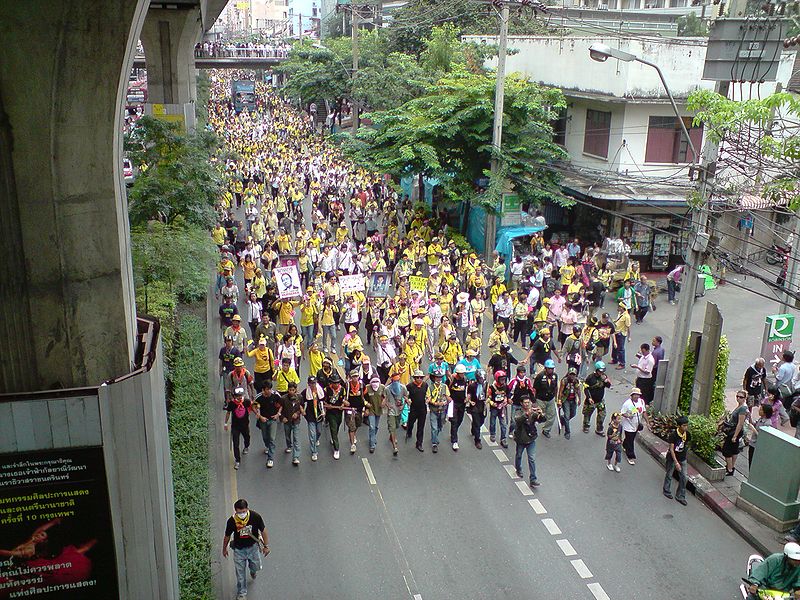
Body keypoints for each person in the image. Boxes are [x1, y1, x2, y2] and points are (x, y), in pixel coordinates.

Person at [222, 499, 269, 600]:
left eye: (243, 511)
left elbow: (263, 530)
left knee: (255, 566)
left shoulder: (255, 517)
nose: (241, 514)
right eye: (239, 512)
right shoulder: (232, 521)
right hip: (239, 551)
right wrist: (224, 549)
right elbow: (227, 536)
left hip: (253, 548)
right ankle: (242, 593)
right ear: (235, 511)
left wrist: (266, 546)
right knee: (240, 574)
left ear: (247, 509)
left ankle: (253, 571)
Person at [513, 398, 546, 489]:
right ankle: (518, 469)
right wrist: (527, 414)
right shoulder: (518, 411)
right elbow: (518, 420)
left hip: (531, 439)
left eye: (528, 402)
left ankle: (533, 479)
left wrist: (541, 414)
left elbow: (541, 420)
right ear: (521, 403)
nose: (527, 404)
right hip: (521, 439)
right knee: (519, 455)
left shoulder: (533, 412)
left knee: (532, 459)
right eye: (525, 403)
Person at [663, 415, 691, 505]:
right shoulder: (673, 435)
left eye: (687, 425)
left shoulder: (687, 435)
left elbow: (687, 445)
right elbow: (671, 449)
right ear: (679, 426)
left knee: (684, 477)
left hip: (682, 458)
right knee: (669, 474)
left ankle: (680, 496)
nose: (686, 427)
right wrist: (676, 462)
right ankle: (666, 490)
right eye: (684, 425)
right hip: (672, 458)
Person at [722, 390, 749, 476]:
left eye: (741, 397)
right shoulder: (741, 407)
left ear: (745, 398)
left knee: (727, 450)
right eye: (737, 396)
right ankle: (731, 467)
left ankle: (729, 469)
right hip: (734, 431)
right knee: (734, 450)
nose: (738, 398)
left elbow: (740, 423)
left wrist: (735, 436)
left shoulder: (742, 408)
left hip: (734, 431)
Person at [224, 387, 252, 470]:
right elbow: (228, 413)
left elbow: (252, 407)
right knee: (235, 444)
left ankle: (246, 446)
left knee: (247, 437)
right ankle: (237, 460)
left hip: (245, 426)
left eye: (240, 395)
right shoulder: (232, 404)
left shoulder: (246, 401)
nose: (239, 397)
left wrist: (257, 414)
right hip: (235, 427)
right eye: (237, 396)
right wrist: (225, 423)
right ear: (235, 396)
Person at [583, 361, 611, 435]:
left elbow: (608, 386)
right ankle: (586, 426)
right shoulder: (590, 378)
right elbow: (586, 389)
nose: (601, 373)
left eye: (602, 371)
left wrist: (606, 381)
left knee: (602, 415)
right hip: (591, 401)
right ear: (596, 370)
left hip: (600, 400)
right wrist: (589, 398)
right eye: (600, 371)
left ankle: (599, 429)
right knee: (587, 414)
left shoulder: (604, 376)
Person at [324, 374, 347, 460]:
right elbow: (322, 401)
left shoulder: (342, 390)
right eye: (334, 383)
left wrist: (342, 405)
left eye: (337, 382)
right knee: (333, 428)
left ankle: (334, 438)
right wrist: (327, 405)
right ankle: (336, 449)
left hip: (339, 412)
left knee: (337, 426)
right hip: (331, 413)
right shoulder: (327, 389)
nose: (336, 384)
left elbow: (344, 400)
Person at [620, 387, 646, 465]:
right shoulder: (627, 403)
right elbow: (622, 413)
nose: (637, 396)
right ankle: (630, 456)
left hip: (636, 424)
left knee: (630, 438)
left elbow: (643, 411)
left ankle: (624, 444)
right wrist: (628, 416)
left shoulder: (641, 401)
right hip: (628, 426)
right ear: (632, 395)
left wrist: (647, 422)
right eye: (635, 395)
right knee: (631, 440)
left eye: (638, 395)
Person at [302, 376, 325, 462]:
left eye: (314, 383)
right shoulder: (305, 392)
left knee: (318, 431)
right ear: (308, 384)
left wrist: (324, 411)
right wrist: (302, 410)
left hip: (319, 414)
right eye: (311, 383)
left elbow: (324, 401)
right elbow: (300, 401)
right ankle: (314, 452)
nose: (313, 385)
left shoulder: (320, 390)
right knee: (312, 434)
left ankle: (317, 440)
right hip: (310, 415)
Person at [383, 373, 407, 456]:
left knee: (396, 425)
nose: (396, 382)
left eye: (398, 380)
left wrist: (403, 406)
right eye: (394, 381)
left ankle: (391, 436)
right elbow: (384, 398)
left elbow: (406, 398)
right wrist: (387, 405)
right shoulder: (387, 389)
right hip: (391, 412)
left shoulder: (403, 388)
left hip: (398, 411)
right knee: (392, 427)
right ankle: (394, 447)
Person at [427, 371, 450, 453]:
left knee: (440, 426)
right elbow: (428, 398)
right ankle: (434, 444)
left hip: (442, 410)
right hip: (434, 410)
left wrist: (448, 401)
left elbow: (448, 396)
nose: (438, 379)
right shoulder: (430, 387)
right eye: (437, 377)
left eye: (440, 377)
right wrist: (434, 403)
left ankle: (435, 437)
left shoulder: (444, 386)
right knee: (434, 427)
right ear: (434, 378)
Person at [281, 382, 303, 465]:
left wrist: (297, 413)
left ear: (296, 390)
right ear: (288, 390)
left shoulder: (300, 397)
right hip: (287, 421)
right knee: (287, 435)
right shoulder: (283, 399)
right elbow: (280, 409)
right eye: (290, 390)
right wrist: (282, 418)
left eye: (293, 390)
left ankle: (296, 457)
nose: (291, 392)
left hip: (296, 421)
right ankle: (289, 445)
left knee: (296, 438)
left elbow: (302, 407)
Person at [406, 370, 429, 452]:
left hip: (422, 409)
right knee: (411, 422)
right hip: (413, 409)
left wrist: (428, 399)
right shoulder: (410, 386)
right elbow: (405, 395)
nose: (419, 379)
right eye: (417, 378)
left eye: (421, 378)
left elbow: (428, 394)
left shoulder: (425, 385)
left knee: (421, 427)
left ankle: (419, 443)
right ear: (414, 378)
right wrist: (407, 400)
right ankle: (409, 431)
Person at [448, 363, 469, 450]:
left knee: (459, 420)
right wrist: (448, 398)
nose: (463, 374)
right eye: (461, 373)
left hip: (462, 403)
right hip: (453, 403)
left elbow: (467, 389)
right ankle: (454, 440)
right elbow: (446, 389)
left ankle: (454, 431)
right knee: (454, 421)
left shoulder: (464, 379)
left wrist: (467, 398)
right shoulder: (451, 379)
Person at [487, 369, 510, 448]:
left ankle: (503, 438)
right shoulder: (492, 387)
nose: (503, 381)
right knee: (493, 422)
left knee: (503, 424)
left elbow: (508, 394)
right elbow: (489, 397)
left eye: (504, 379)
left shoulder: (506, 386)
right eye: (501, 379)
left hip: (502, 408)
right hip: (494, 408)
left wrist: (507, 400)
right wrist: (491, 403)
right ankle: (492, 434)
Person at [363, 375, 385, 453]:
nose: (375, 383)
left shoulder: (382, 387)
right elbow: (363, 398)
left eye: (376, 381)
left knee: (376, 426)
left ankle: (373, 437)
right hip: (371, 409)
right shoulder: (367, 387)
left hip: (378, 409)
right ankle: (372, 445)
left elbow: (385, 396)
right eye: (373, 382)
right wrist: (366, 407)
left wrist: (383, 402)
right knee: (372, 426)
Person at [557, 367, 581, 440]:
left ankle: (563, 419)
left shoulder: (576, 381)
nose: (572, 376)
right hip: (566, 400)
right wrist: (559, 400)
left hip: (573, 399)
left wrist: (580, 398)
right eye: (571, 374)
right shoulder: (564, 381)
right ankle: (567, 431)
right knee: (567, 415)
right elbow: (560, 391)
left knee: (573, 414)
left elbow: (578, 390)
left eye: (574, 375)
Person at [748, 403, 773, 468]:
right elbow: (754, 423)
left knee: (754, 463)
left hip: (757, 446)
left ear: (765, 412)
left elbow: (763, 437)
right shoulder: (760, 419)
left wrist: (753, 430)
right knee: (750, 462)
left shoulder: (767, 423)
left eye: (761, 410)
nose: (759, 411)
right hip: (752, 443)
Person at [467, 369, 488, 449]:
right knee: (477, 422)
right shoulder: (472, 386)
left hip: (483, 405)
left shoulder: (486, 385)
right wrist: (469, 401)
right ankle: (477, 440)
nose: (482, 380)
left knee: (482, 420)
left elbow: (489, 394)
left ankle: (474, 428)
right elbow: (469, 395)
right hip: (475, 405)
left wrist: (488, 400)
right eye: (480, 378)